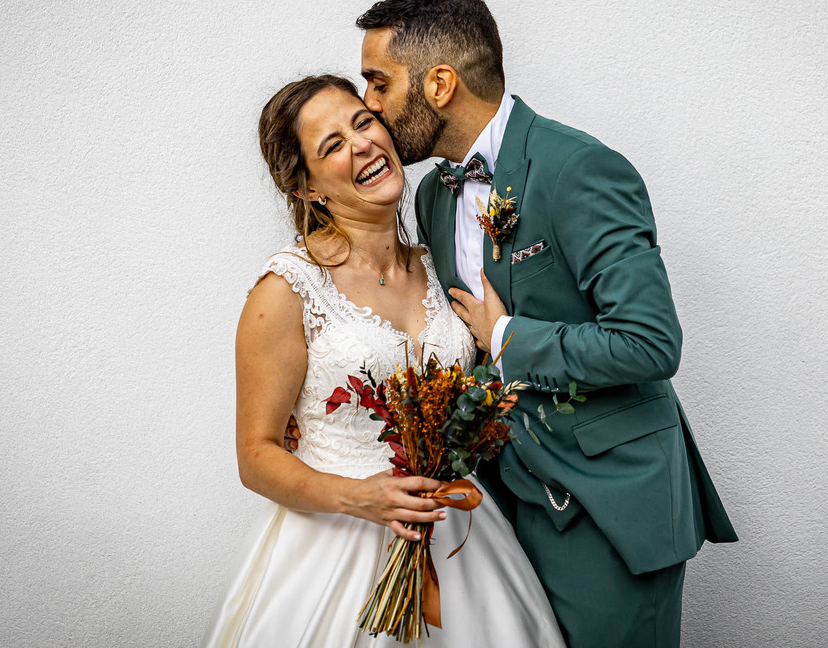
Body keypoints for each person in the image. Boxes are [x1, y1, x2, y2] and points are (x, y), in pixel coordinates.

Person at [356, 0, 738, 648]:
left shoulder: (580, 169)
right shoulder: (433, 198)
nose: (370, 105)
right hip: (498, 513)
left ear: (439, 83)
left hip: (605, 507)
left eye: (379, 82)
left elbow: (650, 343)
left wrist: (506, 336)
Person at [202, 74, 565, 647]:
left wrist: (500, 336)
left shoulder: (442, 263)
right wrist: (359, 496)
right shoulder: (287, 290)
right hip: (335, 546)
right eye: (333, 145)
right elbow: (255, 455)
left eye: (363, 122)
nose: (362, 144)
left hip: (459, 534)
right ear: (306, 188)